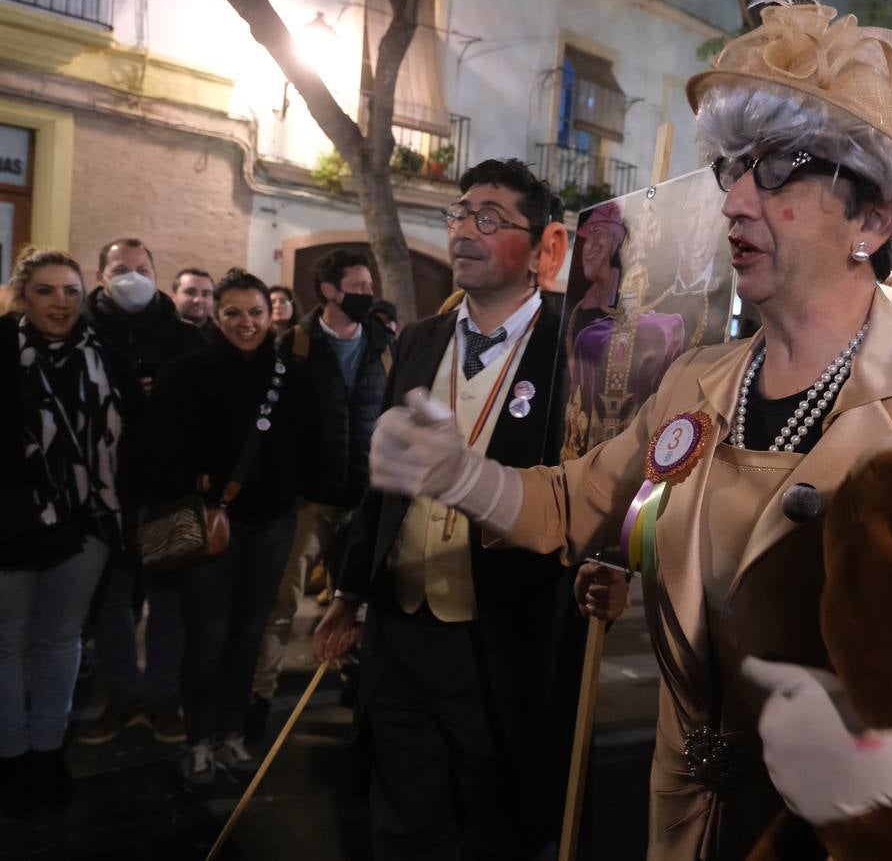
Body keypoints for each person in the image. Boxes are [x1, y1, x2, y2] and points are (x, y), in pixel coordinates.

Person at [366, 0, 892, 861]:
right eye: (731, 170)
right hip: (697, 824)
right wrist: (457, 472)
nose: (734, 203)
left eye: (778, 169)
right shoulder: (694, 379)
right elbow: (581, 503)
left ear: (872, 222)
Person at [313, 159, 627, 861]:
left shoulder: (578, 352)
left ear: (545, 249)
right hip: (401, 628)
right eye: (459, 214)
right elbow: (385, 483)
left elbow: (592, 486)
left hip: (503, 632)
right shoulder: (420, 341)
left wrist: (609, 561)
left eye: (490, 218)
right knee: (400, 817)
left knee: (495, 823)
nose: (464, 231)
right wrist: (351, 588)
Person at [142, 267, 316, 786]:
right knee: (209, 635)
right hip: (211, 522)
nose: (246, 323)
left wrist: (292, 488)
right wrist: (192, 479)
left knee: (248, 634)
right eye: (234, 313)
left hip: (273, 522)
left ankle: (231, 732)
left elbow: (310, 440)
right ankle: (199, 737)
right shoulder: (186, 372)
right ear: (217, 316)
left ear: (272, 315)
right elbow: (157, 447)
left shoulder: (293, 374)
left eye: (256, 313)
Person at [0, 248, 133, 815]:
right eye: (47, 291)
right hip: (9, 522)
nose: (60, 303)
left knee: (61, 640)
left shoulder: (106, 353)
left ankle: (48, 751)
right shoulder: (1, 349)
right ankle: (9, 756)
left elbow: (130, 440)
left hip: (87, 523)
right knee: (6, 643)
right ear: (24, 296)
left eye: (71, 292)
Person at [244, 251, 394, 735]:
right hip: (310, 501)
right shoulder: (296, 345)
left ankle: (352, 679)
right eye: (357, 283)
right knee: (282, 604)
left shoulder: (383, 343)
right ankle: (259, 697)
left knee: (354, 601)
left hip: (364, 497)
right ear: (330, 291)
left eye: (369, 283)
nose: (367, 291)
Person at [79, 238, 205, 746]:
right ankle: (120, 696)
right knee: (110, 603)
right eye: (121, 268)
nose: (132, 276)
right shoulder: (85, 333)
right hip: (102, 495)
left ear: (157, 273)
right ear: (101, 274)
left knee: (166, 603)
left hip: (165, 492)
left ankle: (161, 697)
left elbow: (203, 412)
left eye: (142, 268)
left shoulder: (185, 338)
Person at [562, 202, 686, 458]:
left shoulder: (662, 327)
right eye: (588, 236)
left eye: (600, 234)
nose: (590, 246)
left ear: (618, 244)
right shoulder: (582, 317)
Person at [171, 267, 216, 335]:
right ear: (173, 296)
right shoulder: (155, 329)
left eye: (205, 294)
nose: (198, 300)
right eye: (190, 292)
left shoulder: (224, 337)